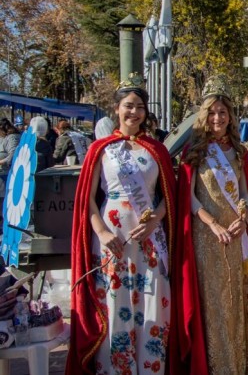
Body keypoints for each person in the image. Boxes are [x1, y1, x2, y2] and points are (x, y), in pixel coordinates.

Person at [67, 79, 176, 375]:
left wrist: (155, 219)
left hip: (150, 238)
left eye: (140, 107)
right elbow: (87, 201)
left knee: (153, 302)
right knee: (116, 305)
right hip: (113, 236)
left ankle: (151, 367)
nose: (135, 112)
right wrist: (102, 233)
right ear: (116, 109)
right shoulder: (100, 150)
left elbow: (169, 197)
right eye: (128, 106)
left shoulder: (156, 150)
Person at [172, 76, 248, 374]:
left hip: (236, 235)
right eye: (212, 112)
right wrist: (212, 224)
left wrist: (245, 214)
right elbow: (190, 199)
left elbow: (244, 190)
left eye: (223, 112)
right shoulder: (194, 151)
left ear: (230, 116)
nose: (217, 117)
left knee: (237, 298)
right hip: (207, 237)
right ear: (204, 115)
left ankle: (241, 363)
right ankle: (215, 365)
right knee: (213, 302)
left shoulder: (238, 151)